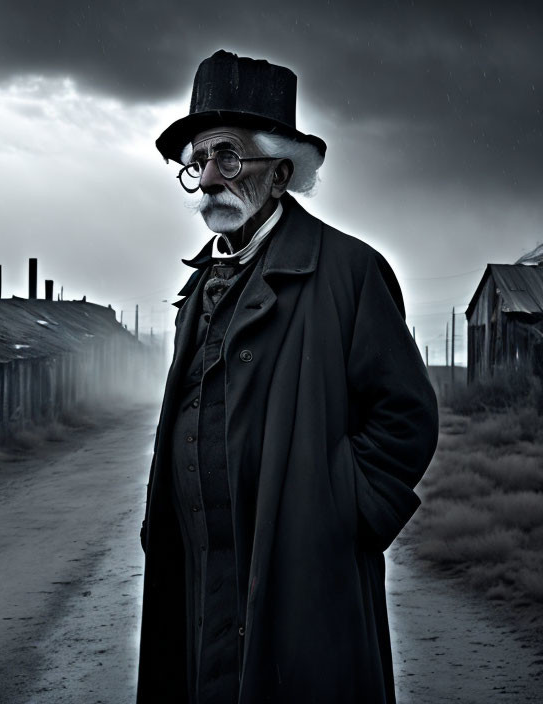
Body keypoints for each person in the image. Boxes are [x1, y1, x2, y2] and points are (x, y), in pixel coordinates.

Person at [137, 50, 439, 704]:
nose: (210, 178)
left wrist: (333, 511)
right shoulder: (199, 288)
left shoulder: (350, 273)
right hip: (204, 575)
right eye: (198, 162)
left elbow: (406, 417)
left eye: (228, 158)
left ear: (278, 176)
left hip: (302, 576)